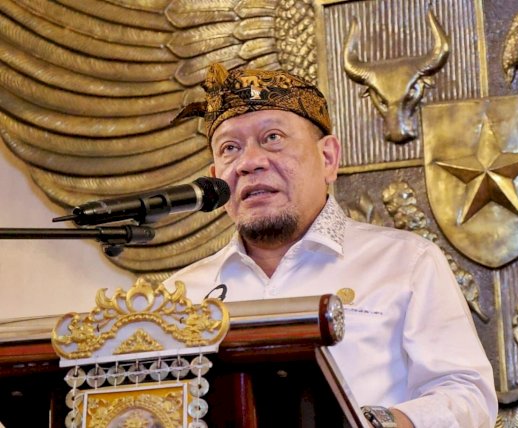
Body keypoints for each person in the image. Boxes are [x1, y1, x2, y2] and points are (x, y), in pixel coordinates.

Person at [168, 63, 498, 427]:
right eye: (230, 148)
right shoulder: (176, 298)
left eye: (273, 137)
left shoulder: (407, 263)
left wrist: (369, 423)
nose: (249, 162)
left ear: (328, 158)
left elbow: (468, 396)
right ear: (215, 178)